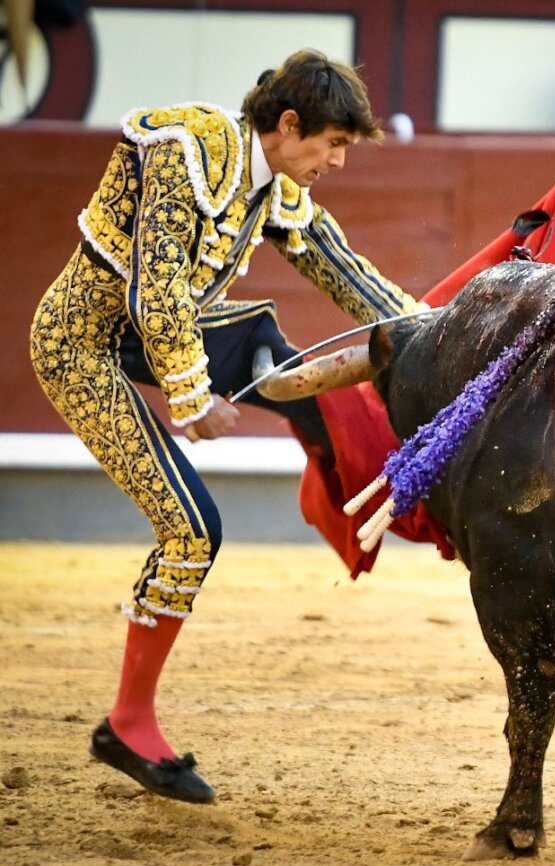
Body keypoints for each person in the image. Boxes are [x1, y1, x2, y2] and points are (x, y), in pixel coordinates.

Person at [29, 48, 424, 802]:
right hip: (83, 346)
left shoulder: (273, 180)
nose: (338, 161)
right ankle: (129, 724)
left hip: (156, 333)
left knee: (279, 353)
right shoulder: (187, 152)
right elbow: (157, 288)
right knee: (192, 530)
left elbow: (338, 265)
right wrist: (190, 395)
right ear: (288, 124)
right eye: (334, 143)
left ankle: (334, 443)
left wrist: (430, 326)